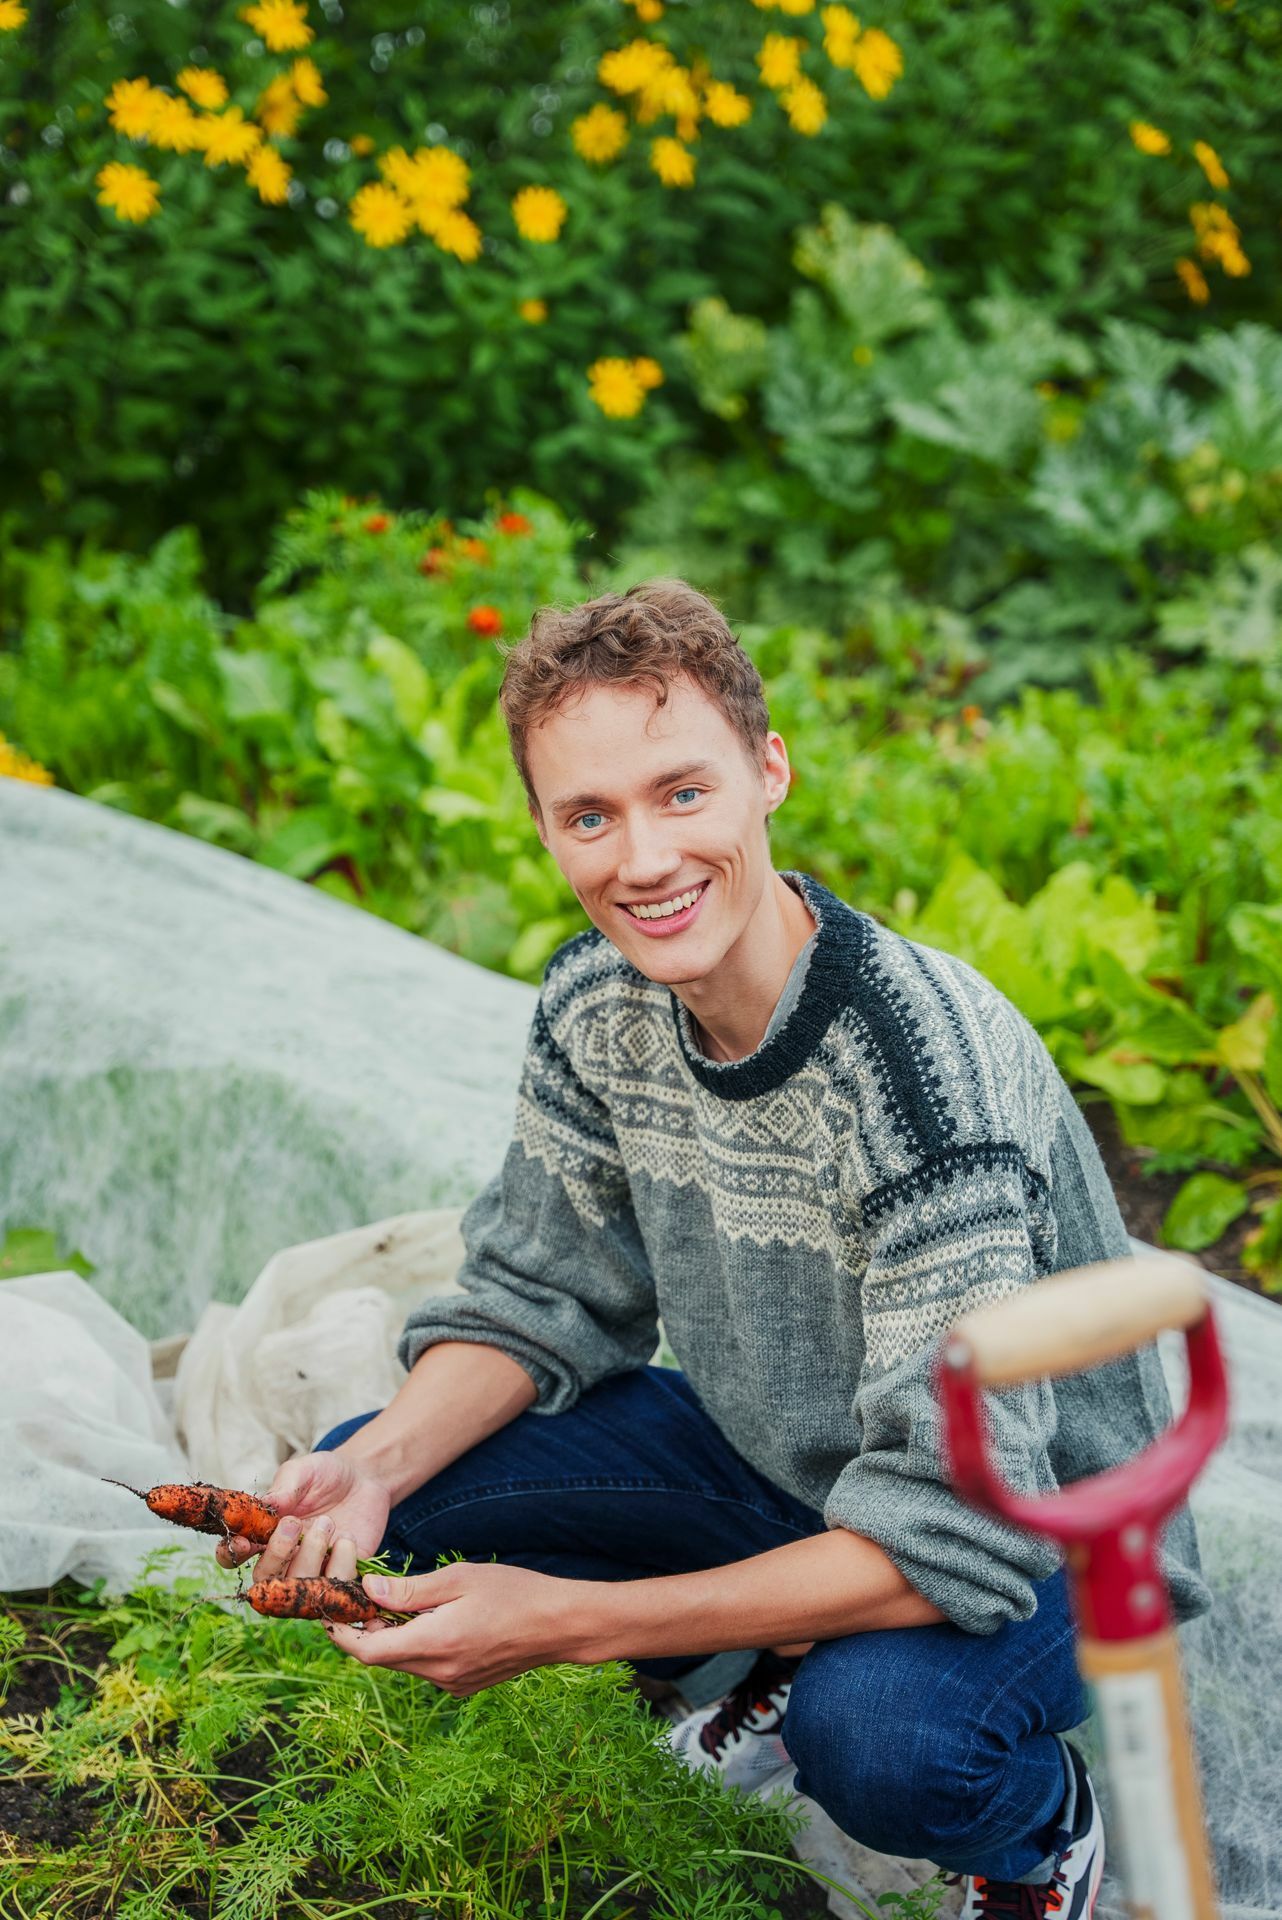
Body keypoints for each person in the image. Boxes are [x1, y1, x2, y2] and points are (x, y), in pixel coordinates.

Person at [219, 579, 1209, 1918]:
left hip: (1044, 1533)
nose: (641, 860)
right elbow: (540, 1295)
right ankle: (763, 1657)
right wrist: (375, 1467)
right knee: (387, 1495)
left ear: (768, 772)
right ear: (544, 830)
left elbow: (954, 1524)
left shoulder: (918, 1074)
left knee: (881, 1738)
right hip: (796, 1465)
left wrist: (569, 1623)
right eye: (589, 816)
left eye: (681, 792)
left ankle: (1039, 1837)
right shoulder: (598, 1002)